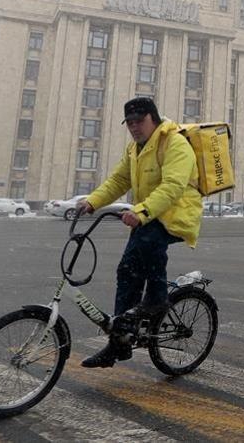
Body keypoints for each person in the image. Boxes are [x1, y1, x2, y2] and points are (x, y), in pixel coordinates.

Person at [77, 96, 203, 368]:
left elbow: (173, 186)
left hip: (177, 213)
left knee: (147, 243)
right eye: (130, 122)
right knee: (127, 269)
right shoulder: (134, 149)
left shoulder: (175, 143)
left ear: (153, 118)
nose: (134, 127)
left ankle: (157, 298)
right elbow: (118, 180)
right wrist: (92, 202)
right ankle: (120, 339)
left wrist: (142, 212)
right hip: (150, 214)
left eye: (139, 121)